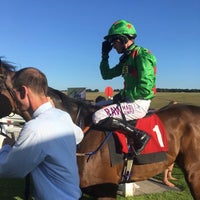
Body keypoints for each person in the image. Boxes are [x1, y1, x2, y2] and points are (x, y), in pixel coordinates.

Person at [0, 67, 84, 200]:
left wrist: (6, 147)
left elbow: (9, 169)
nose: (14, 99)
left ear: (23, 91)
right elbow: (79, 135)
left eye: (14, 93)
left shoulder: (35, 129)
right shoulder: (62, 116)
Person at [92, 19, 157, 154]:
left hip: (139, 103)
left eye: (114, 42)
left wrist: (124, 94)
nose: (113, 46)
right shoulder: (126, 59)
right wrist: (105, 56)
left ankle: (139, 135)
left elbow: (145, 88)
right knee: (95, 106)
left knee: (98, 116)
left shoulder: (142, 55)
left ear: (122, 39)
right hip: (129, 100)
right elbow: (106, 74)